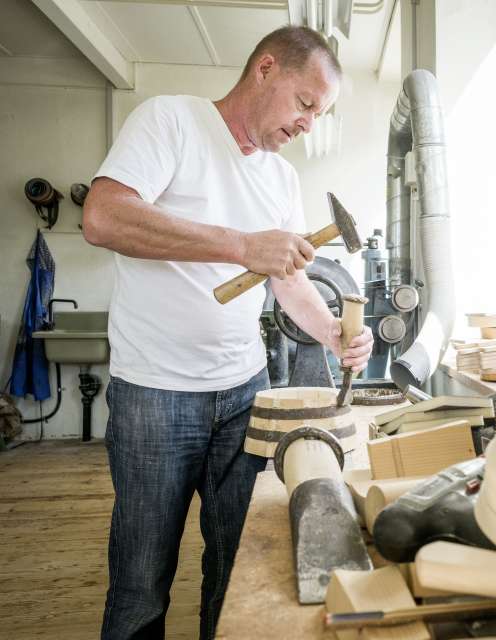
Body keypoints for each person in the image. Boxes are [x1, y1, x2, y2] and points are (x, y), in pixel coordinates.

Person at [82, 26, 373, 640]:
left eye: (319, 114)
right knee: (141, 580)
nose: (307, 125)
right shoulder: (172, 123)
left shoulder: (281, 180)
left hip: (245, 393)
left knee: (235, 566)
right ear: (265, 69)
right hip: (154, 395)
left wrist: (332, 334)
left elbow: (289, 284)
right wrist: (242, 244)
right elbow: (103, 216)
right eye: (305, 104)